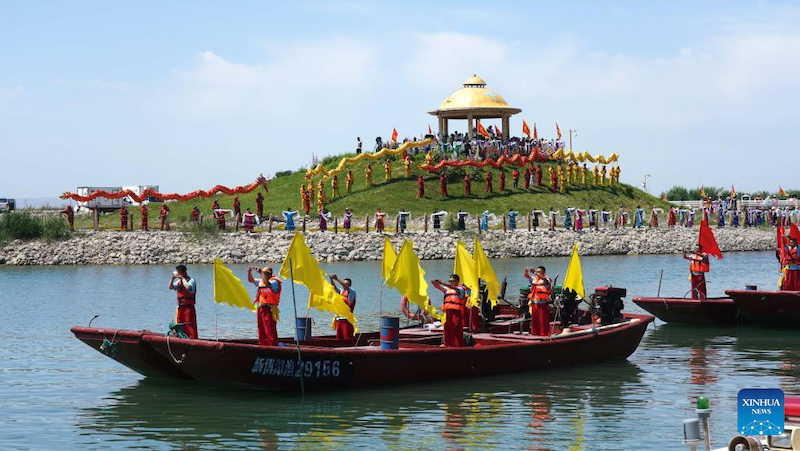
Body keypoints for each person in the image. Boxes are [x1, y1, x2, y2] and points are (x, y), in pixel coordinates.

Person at [248, 266, 281, 346]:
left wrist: (260, 272)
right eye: (264, 273)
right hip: (261, 308)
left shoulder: (275, 282)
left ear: (270, 274)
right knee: (261, 329)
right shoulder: (261, 281)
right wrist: (249, 272)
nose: (264, 275)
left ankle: (273, 346)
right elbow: (251, 280)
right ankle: (263, 345)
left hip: (269, 309)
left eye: (265, 273)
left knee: (269, 329)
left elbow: (268, 284)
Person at [432, 275, 466, 347]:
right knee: (447, 329)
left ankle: (458, 346)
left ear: (457, 281)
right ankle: (447, 345)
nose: (451, 282)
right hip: (448, 313)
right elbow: (436, 286)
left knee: (456, 329)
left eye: (453, 281)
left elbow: (454, 288)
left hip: (456, 313)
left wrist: (442, 283)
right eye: (450, 281)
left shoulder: (460, 289)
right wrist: (435, 281)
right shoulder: (447, 290)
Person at [168, 265, 198, 339]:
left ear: (183, 272)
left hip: (188, 307)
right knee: (179, 323)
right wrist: (172, 279)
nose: (177, 274)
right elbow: (170, 287)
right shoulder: (179, 282)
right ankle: (181, 338)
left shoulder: (191, 280)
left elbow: (188, 287)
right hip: (180, 306)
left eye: (178, 272)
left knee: (189, 324)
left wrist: (182, 278)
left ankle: (192, 338)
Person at [524, 266, 552, 336]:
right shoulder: (535, 279)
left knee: (543, 320)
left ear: (543, 272)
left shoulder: (546, 279)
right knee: (535, 320)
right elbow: (527, 276)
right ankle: (535, 334)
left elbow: (545, 281)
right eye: (537, 272)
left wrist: (534, 272)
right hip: (534, 303)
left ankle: (544, 334)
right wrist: (526, 271)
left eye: (539, 272)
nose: (537, 273)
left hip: (543, 303)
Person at [329, 275, 356, 339]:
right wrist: (331, 279)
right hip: (339, 318)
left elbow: (346, 287)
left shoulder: (352, 291)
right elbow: (334, 287)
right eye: (344, 283)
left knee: (347, 338)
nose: (344, 285)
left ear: (350, 285)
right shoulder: (341, 291)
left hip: (347, 319)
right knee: (339, 338)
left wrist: (337, 279)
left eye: (347, 284)